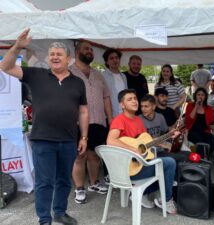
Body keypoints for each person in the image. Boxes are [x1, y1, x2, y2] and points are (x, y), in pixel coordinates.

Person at [0, 29, 89, 225]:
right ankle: (44, 219)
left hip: (68, 139)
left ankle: (60, 212)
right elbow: (5, 66)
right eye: (52, 55)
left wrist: (83, 137)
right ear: (48, 59)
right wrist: (17, 47)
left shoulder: (78, 83)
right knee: (44, 182)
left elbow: (83, 111)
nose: (55, 57)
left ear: (69, 60)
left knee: (65, 181)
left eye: (59, 54)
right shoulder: (35, 74)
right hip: (43, 139)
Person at [106, 89, 177, 214]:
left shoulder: (138, 120)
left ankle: (142, 193)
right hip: (128, 169)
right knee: (169, 163)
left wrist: (168, 137)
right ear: (122, 105)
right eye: (129, 99)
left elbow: (145, 142)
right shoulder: (119, 120)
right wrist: (134, 150)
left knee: (170, 171)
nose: (134, 101)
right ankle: (166, 200)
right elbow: (110, 141)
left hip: (139, 164)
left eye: (135, 98)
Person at [69, 41, 111, 204]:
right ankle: (79, 188)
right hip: (77, 123)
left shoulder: (98, 74)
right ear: (77, 51)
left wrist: (110, 118)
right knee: (80, 156)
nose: (90, 51)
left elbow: (106, 97)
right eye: (86, 49)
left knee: (94, 155)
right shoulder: (68, 73)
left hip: (99, 121)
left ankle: (93, 183)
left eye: (92, 49)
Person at [185, 87, 214, 157]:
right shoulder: (190, 105)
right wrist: (196, 107)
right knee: (201, 142)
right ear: (195, 96)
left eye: (202, 95)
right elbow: (188, 120)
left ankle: (203, 156)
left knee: (213, 142)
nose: (200, 96)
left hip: (205, 131)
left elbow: (213, 121)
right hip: (193, 131)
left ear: (205, 97)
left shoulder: (208, 108)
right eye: (198, 94)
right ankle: (201, 160)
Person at [101, 48, 127, 117]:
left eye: (116, 58)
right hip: (110, 115)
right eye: (111, 58)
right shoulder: (102, 76)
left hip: (124, 113)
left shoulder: (123, 76)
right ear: (107, 62)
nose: (115, 60)